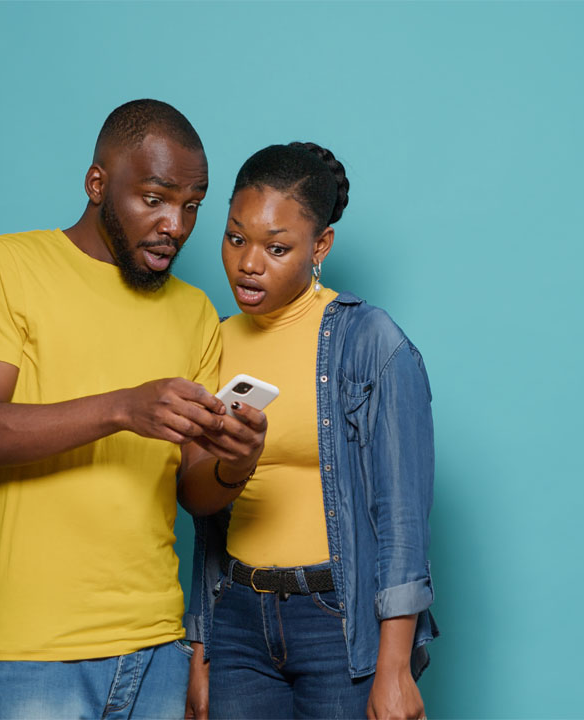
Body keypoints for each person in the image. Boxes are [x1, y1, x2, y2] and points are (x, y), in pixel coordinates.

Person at [0, 99, 266, 719]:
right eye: (155, 198)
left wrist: (236, 463)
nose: (175, 223)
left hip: (157, 649)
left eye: (192, 205)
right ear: (98, 184)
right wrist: (123, 408)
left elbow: (194, 491)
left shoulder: (196, 312)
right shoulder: (10, 266)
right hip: (36, 651)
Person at [181, 143, 437, 720]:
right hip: (237, 622)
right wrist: (201, 644)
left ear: (320, 246)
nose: (249, 263)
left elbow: (400, 515)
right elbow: (204, 517)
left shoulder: (370, 342)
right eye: (235, 237)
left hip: (336, 620)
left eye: (277, 248)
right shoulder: (212, 340)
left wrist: (394, 668)